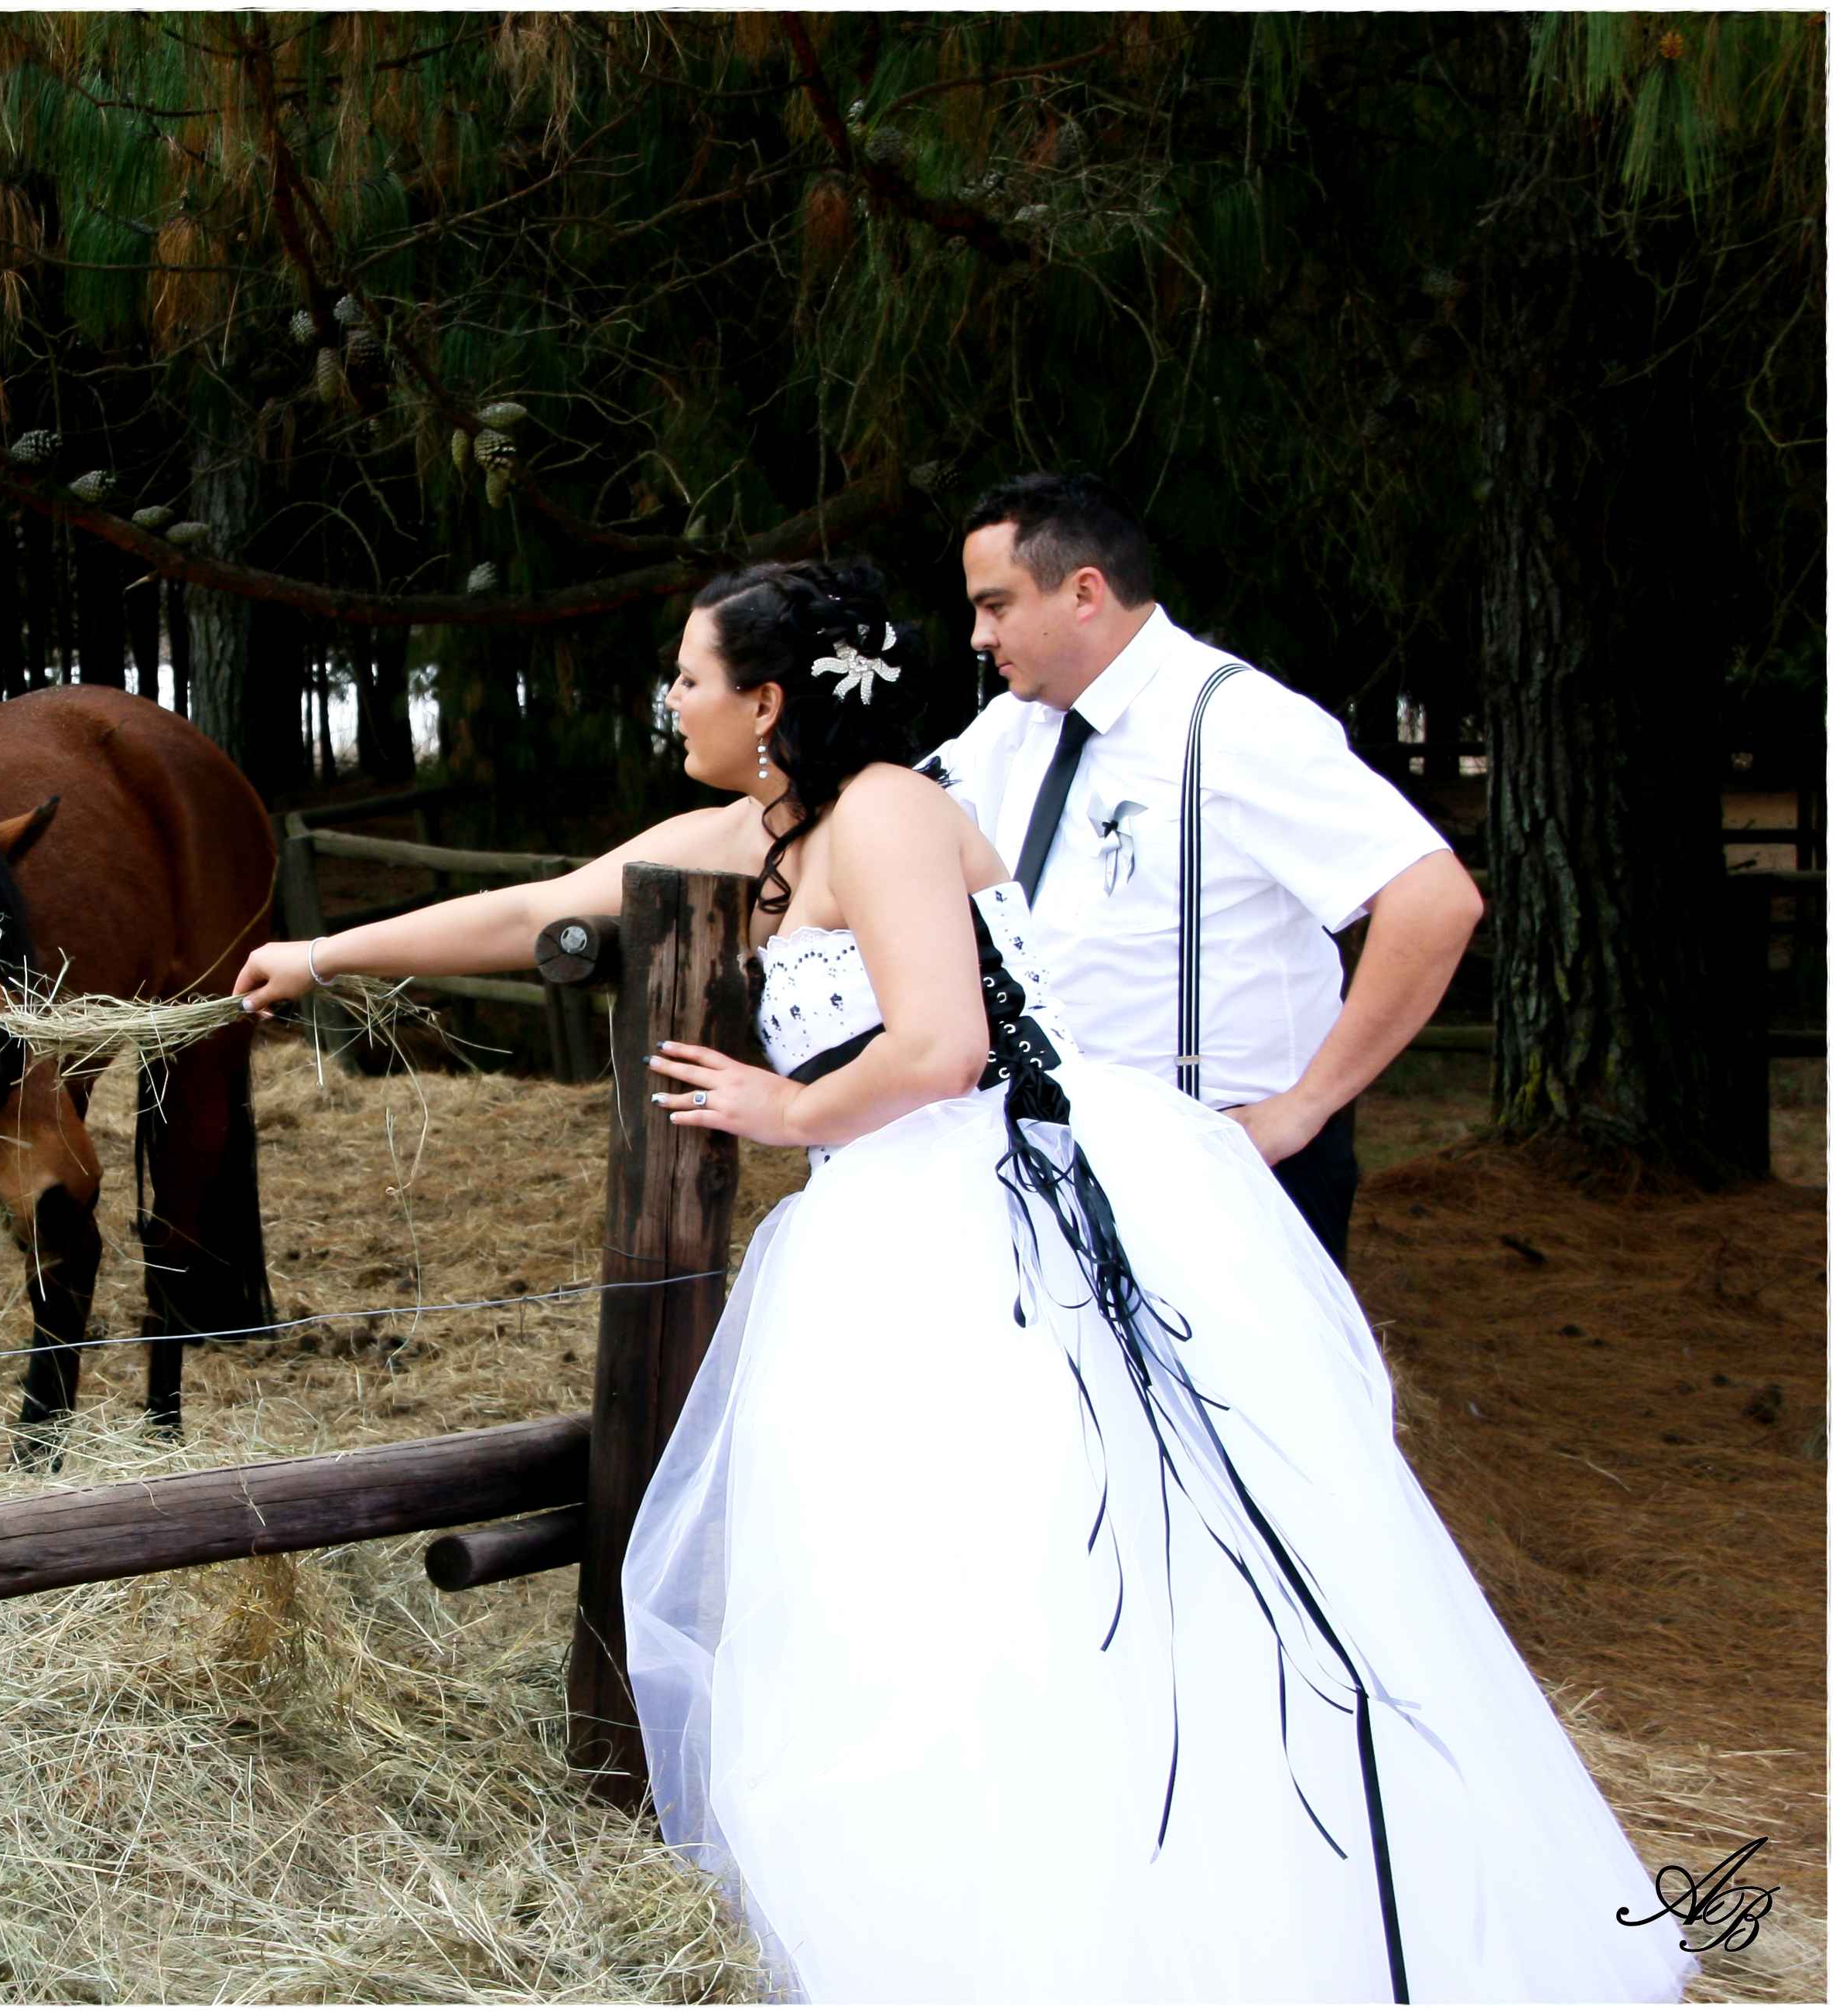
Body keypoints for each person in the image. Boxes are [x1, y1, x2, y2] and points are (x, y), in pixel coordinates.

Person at [231, 559, 1698, 2004]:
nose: (669, 701)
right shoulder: (760, 832)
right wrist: (319, 952)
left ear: (765, 700)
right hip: (891, 1214)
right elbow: (543, 906)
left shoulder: (885, 812)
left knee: (1062, 1565)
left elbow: (942, 1044)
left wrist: (786, 1108)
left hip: (992, 1215)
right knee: (918, 1584)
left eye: (687, 677)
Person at [929, 472, 1483, 1268]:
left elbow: (1434, 899)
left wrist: (1307, 1106)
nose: (979, 637)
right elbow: (894, 823)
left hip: (1229, 1164)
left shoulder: (1234, 720)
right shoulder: (1012, 729)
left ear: (1084, 592)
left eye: (996, 605)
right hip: (1063, 1160)